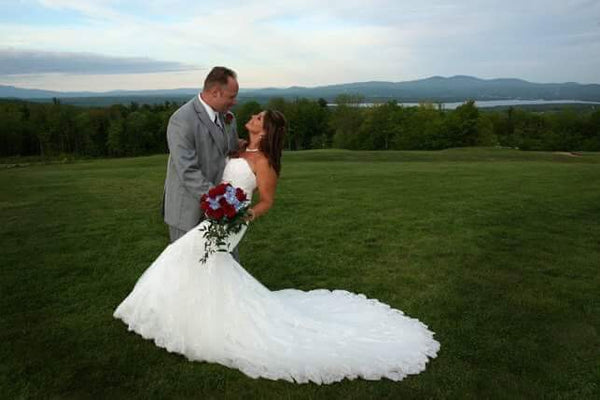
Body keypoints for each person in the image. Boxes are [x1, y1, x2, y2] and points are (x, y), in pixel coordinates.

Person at [114, 110, 440, 384]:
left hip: (231, 223)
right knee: (194, 262)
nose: (252, 117)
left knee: (189, 258)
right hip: (215, 215)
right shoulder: (239, 150)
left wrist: (242, 217)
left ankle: (202, 324)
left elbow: (267, 200)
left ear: (265, 129)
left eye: (258, 117)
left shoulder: (265, 162)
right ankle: (188, 316)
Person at [162, 66, 241, 243]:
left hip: (219, 210)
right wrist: (221, 200)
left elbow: (230, 148)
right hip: (188, 212)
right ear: (215, 92)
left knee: (223, 261)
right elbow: (188, 171)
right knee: (189, 268)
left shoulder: (227, 117)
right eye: (231, 96)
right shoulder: (181, 120)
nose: (234, 101)